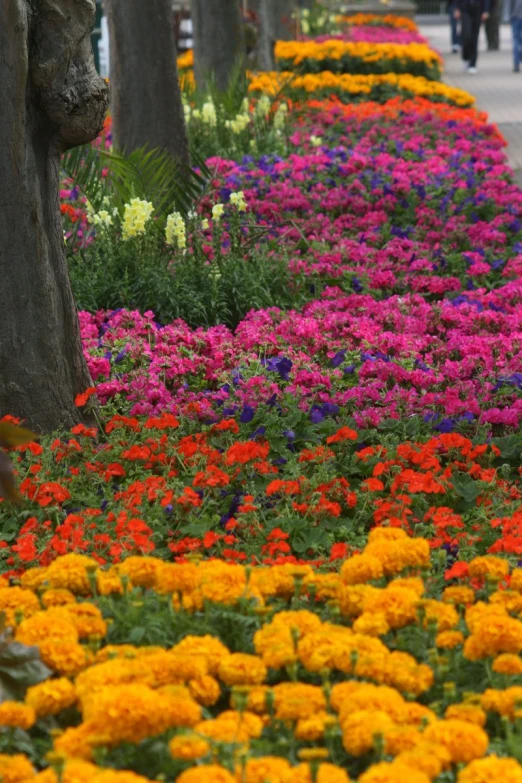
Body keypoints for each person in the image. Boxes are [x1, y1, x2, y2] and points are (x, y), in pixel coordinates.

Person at [455, 0, 490, 73]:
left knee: (475, 37)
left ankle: (472, 64)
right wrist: (457, 8)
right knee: (466, 35)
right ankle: (466, 57)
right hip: (465, 9)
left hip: (478, 10)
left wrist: (486, 11)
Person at [511, 0, 522, 72]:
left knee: (516, 40)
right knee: (517, 40)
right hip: (516, 17)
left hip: (515, 16)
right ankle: (517, 62)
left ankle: (516, 63)